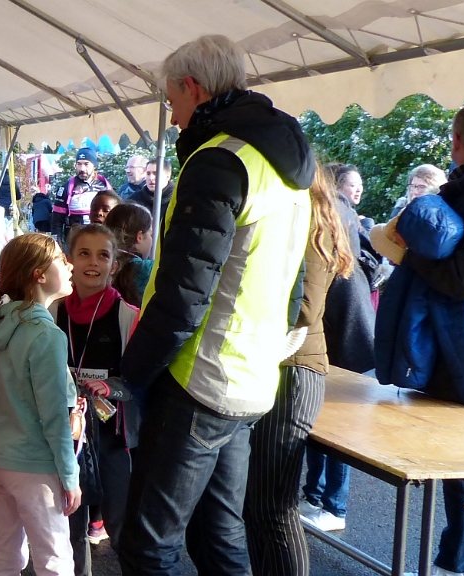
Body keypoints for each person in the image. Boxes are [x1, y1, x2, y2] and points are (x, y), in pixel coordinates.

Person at [118, 34, 314, 575]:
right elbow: (293, 279)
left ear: (193, 87)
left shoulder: (220, 159)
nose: (173, 117)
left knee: (147, 547)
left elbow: (184, 292)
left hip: (199, 378)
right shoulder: (284, 163)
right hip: (250, 378)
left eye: (172, 102)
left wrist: (131, 375)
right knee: (217, 538)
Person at [382, 102, 464, 576]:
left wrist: (409, 253)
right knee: (463, 470)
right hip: (460, 350)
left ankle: (460, 565)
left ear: (455, 141)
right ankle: (458, 562)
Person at [243, 166, 354, 576]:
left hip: (294, 368)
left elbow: (304, 310)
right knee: (262, 504)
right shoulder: (308, 222)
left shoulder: (310, 227)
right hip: (287, 367)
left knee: (273, 505)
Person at [0, 233, 81, 576]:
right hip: (35, 465)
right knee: (55, 562)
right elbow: (54, 418)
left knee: (4, 558)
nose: (70, 266)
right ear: (38, 275)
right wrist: (70, 476)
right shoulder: (46, 334)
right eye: (61, 259)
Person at [52, 224, 140, 575]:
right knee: (70, 525)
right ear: (69, 261)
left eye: (103, 255)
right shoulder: (52, 312)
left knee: (121, 525)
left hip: (112, 438)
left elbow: (140, 380)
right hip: (65, 436)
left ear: (113, 265)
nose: (93, 262)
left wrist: (111, 386)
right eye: (84, 253)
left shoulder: (128, 316)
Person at [300, 164, 376, 534]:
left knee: (334, 427)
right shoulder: (337, 211)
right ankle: (316, 496)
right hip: (340, 329)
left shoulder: (326, 210)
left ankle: (333, 505)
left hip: (341, 333)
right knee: (320, 422)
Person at [52, 148, 112, 242]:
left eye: (86, 164)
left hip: (100, 239)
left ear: (94, 165)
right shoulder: (66, 187)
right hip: (75, 240)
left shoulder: (105, 186)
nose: (82, 169)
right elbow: (56, 221)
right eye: (79, 164)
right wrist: (57, 244)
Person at [104, 203, 154, 308]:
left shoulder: (99, 262)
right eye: (150, 234)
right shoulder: (149, 269)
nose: (152, 239)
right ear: (140, 237)